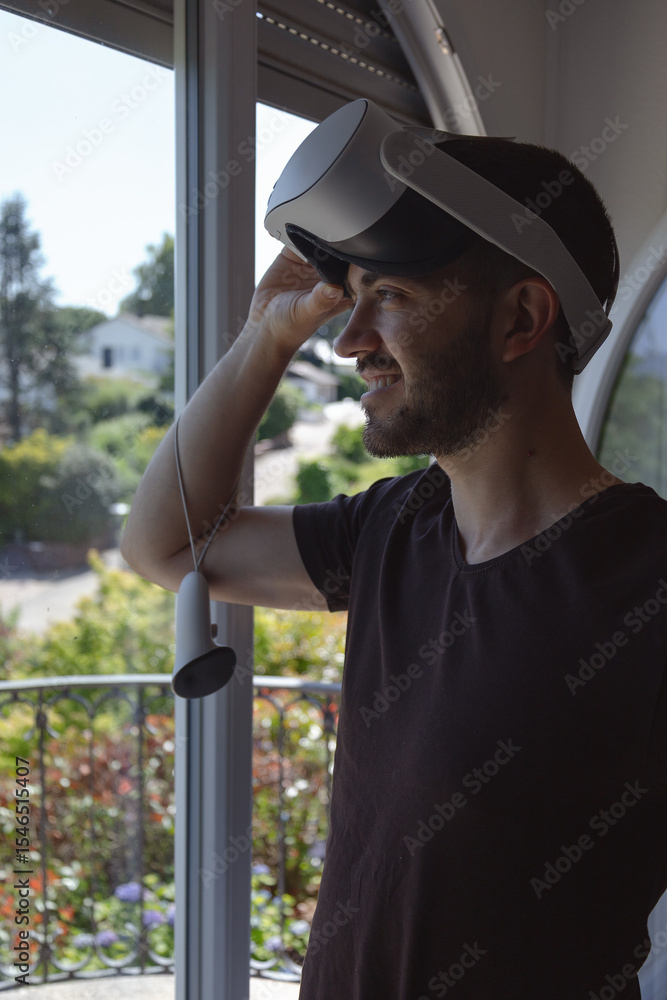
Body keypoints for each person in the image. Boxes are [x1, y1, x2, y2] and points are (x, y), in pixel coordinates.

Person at [121, 130, 667, 999]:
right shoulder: (391, 528)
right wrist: (264, 339)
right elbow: (167, 544)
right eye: (355, 296)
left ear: (521, 318)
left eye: (393, 295)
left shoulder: (645, 576)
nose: (348, 341)